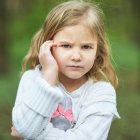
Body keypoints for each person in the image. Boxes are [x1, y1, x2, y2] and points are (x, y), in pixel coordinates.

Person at [11, 0, 120, 140]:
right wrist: (49, 77)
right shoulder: (32, 80)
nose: (76, 56)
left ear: (97, 50)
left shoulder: (102, 92)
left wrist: (33, 135)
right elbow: (25, 128)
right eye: (66, 46)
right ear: (48, 45)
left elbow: (25, 131)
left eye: (86, 47)